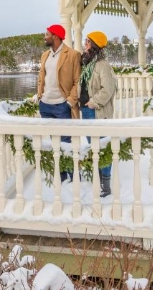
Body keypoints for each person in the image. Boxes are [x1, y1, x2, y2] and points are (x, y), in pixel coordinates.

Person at [36, 24, 81, 182]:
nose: (45, 37)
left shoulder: (73, 55)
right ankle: (61, 175)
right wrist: (39, 95)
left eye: (47, 34)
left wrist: (69, 102)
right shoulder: (45, 55)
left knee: (66, 142)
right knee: (55, 141)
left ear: (55, 36)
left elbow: (78, 81)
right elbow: (42, 78)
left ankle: (74, 176)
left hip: (63, 105)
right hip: (45, 105)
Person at [78, 31, 117, 197]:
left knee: (102, 148)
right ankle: (99, 178)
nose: (85, 43)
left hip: (98, 112)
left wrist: (93, 102)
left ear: (94, 44)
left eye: (87, 41)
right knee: (93, 146)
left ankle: (106, 185)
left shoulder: (103, 65)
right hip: (86, 110)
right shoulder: (87, 64)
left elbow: (108, 89)